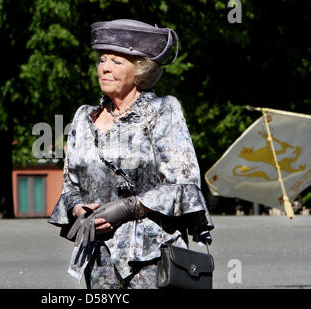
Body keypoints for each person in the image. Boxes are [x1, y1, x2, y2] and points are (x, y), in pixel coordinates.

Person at [48, 19, 213, 289]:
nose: (105, 68)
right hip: (98, 258)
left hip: (153, 257)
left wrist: (127, 208)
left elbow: (184, 184)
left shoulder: (163, 111)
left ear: (139, 70)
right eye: (102, 60)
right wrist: (79, 209)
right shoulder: (83, 118)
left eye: (117, 61)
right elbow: (70, 187)